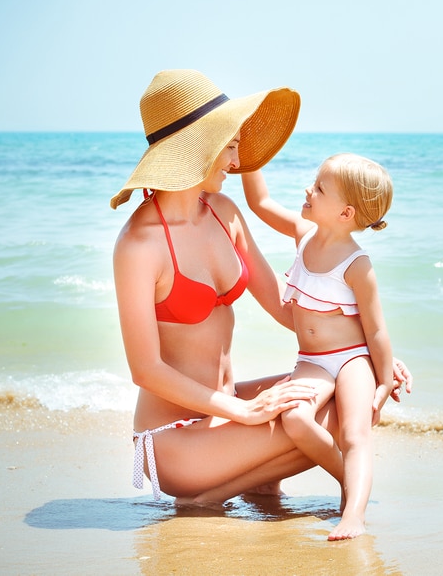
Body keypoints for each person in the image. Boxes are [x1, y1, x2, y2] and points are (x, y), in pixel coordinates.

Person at [111, 69, 412, 513]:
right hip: (175, 442)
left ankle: (241, 485)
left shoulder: (223, 213)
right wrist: (246, 413)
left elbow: (287, 309)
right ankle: (224, 487)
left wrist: (365, 354)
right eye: (230, 147)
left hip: (227, 411)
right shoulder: (140, 245)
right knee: (324, 417)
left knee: (356, 393)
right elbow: (146, 370)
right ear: (197, 145)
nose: (236, 162)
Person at [242, 153, 394, 540]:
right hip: (312, 360)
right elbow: (260, 203)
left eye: (320, 188)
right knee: (294, 418)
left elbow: (376, 332)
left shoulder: (357, 265)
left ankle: (354, 514)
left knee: (356, 433)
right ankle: (348, 479)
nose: (308, 189)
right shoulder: (303, 233)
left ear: (345, 214)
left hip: (352, 360)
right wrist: (250, 157)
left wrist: (384, 382)